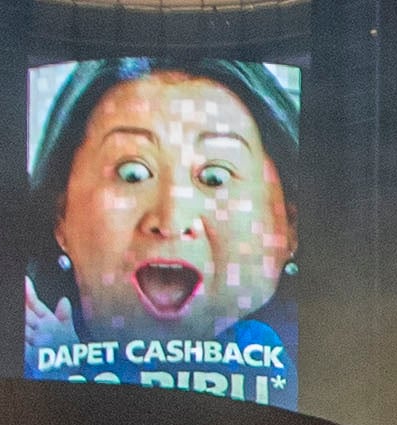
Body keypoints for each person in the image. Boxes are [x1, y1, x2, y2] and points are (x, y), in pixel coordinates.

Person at [25, 59, 299, 403]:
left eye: (215, 177)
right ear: (59, 215)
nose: (171, 220)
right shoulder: (33, 349)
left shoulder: (261, 350)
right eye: (132, 174)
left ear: (290, 226)